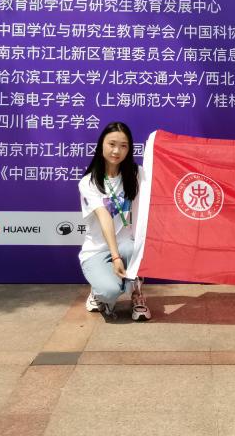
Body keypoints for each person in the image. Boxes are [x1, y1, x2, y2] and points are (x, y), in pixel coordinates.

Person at [78, 121, 150, 321]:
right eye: (112, 144)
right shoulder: (89, 182)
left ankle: (136, 293)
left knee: (137, 249)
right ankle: (98, 291)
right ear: (101, 144)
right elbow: (105, 217)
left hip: (127, 244)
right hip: (98, 250)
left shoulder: (137, 174)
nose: (117, 151)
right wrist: (115, 257)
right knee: (110, 291)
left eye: (123, 146)